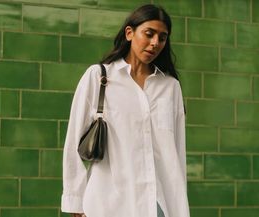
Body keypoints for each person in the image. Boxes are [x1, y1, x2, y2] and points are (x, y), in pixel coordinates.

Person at [61, 4, 190, 217]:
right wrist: (75, 200)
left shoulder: (170, 87)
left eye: (162, 37)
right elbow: (72, 142)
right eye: (149, 34)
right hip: (107, 203)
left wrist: (178, 206)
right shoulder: (99, 77)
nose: (155, 43)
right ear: (130, 33)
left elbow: (177, 151)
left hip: (158, 204)